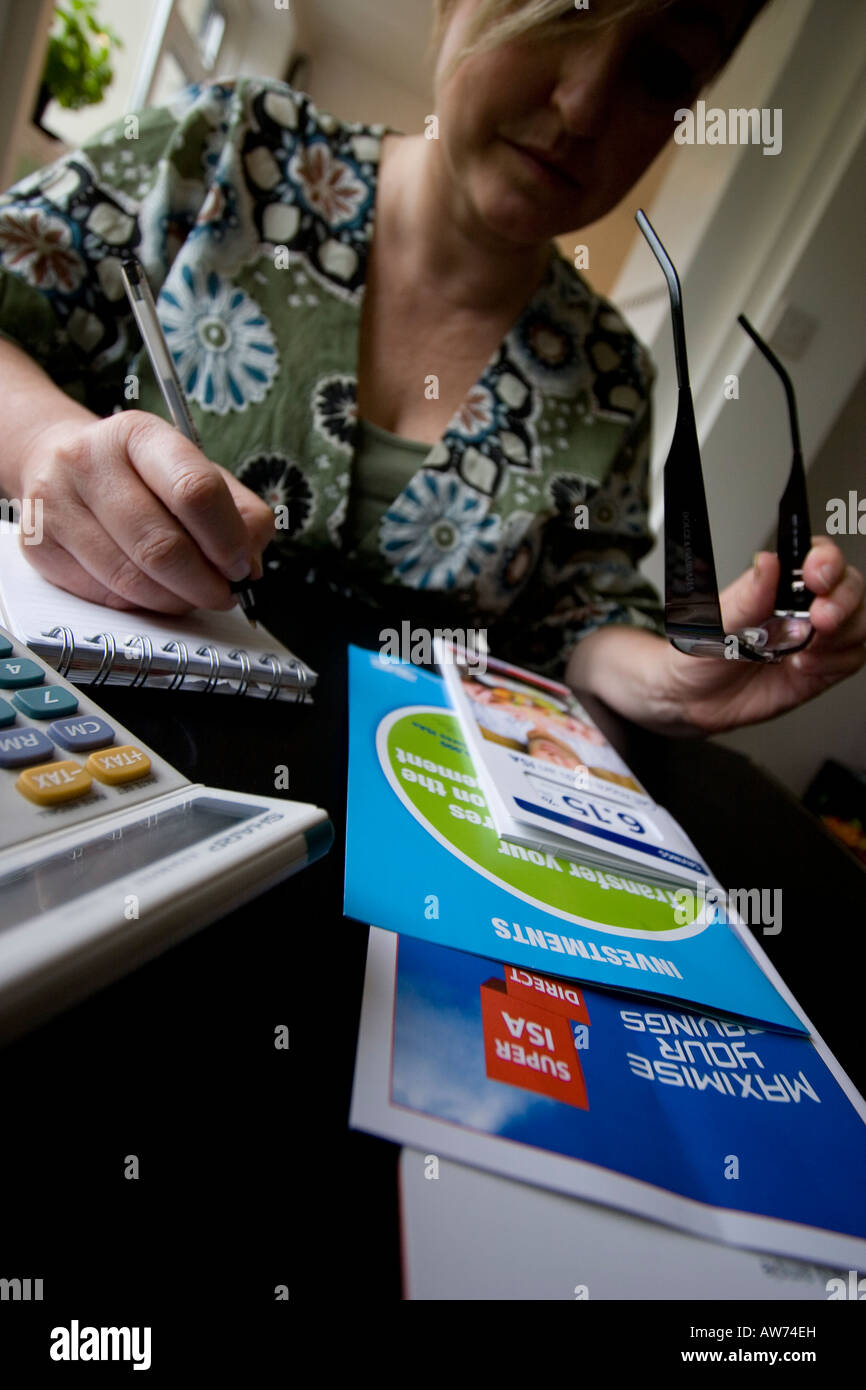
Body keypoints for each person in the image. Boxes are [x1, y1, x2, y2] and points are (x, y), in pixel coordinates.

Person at [0, 0, 862, 738]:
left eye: (663, 71)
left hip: (404, 819)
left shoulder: (612, 381)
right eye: (562, 12)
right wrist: (47, 440)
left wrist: (674, 679)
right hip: (68, 731)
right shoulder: (226, 150)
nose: (584, 105)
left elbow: (581, 617)